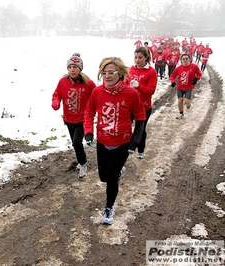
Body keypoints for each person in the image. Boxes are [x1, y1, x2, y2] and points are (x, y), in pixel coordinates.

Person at [84, 56, 145, 225]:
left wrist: (135, 141)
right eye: (104, 72)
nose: (107, 76)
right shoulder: (97, 92)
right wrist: (88, 131)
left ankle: (109, 208)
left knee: (111, 179)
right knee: (103, 177)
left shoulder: (131, 94)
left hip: (122, 144)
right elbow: (89, 113)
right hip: (103, 142)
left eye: (111, 72)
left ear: (120, 74)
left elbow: (140, 117)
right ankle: (117, 172)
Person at [52, 53, 96, 178]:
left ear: (80, 68)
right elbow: (56, 94)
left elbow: (97, 95)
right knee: (74, 142)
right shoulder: (63, 82)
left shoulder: (88, 83)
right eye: (70, 67)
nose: (72, 70)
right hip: (68, 118)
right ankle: (80, 160)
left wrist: (96, 109)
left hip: (82, 119)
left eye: (75, 67)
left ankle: (83, 164)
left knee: (77, 142)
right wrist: (56, 102)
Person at [128, 47, 157, 159]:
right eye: (135, 57)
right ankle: (126, 146)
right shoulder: (130, 70)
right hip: (130, 106)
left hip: (144, 107)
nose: (137, 60)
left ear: (146, 58)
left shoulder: (151, 72)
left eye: (140, 57)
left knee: (140, 129)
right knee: (126, 127)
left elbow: (151, 90)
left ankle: (140, 149)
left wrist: (139, 86)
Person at [170, 53, 202, 119]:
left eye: (186, 59)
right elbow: (172, 76)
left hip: (189, 87)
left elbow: (199, 74)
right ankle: (181, 113)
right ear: (181, 60)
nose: (185, 60)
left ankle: (188, 102)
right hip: (180, 87)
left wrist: (196, 79)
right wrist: (173, 82)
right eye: (183, 59)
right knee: (180, 100)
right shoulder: (179, 68)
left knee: (186, 101)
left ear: (189, 59)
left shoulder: (194, 67)